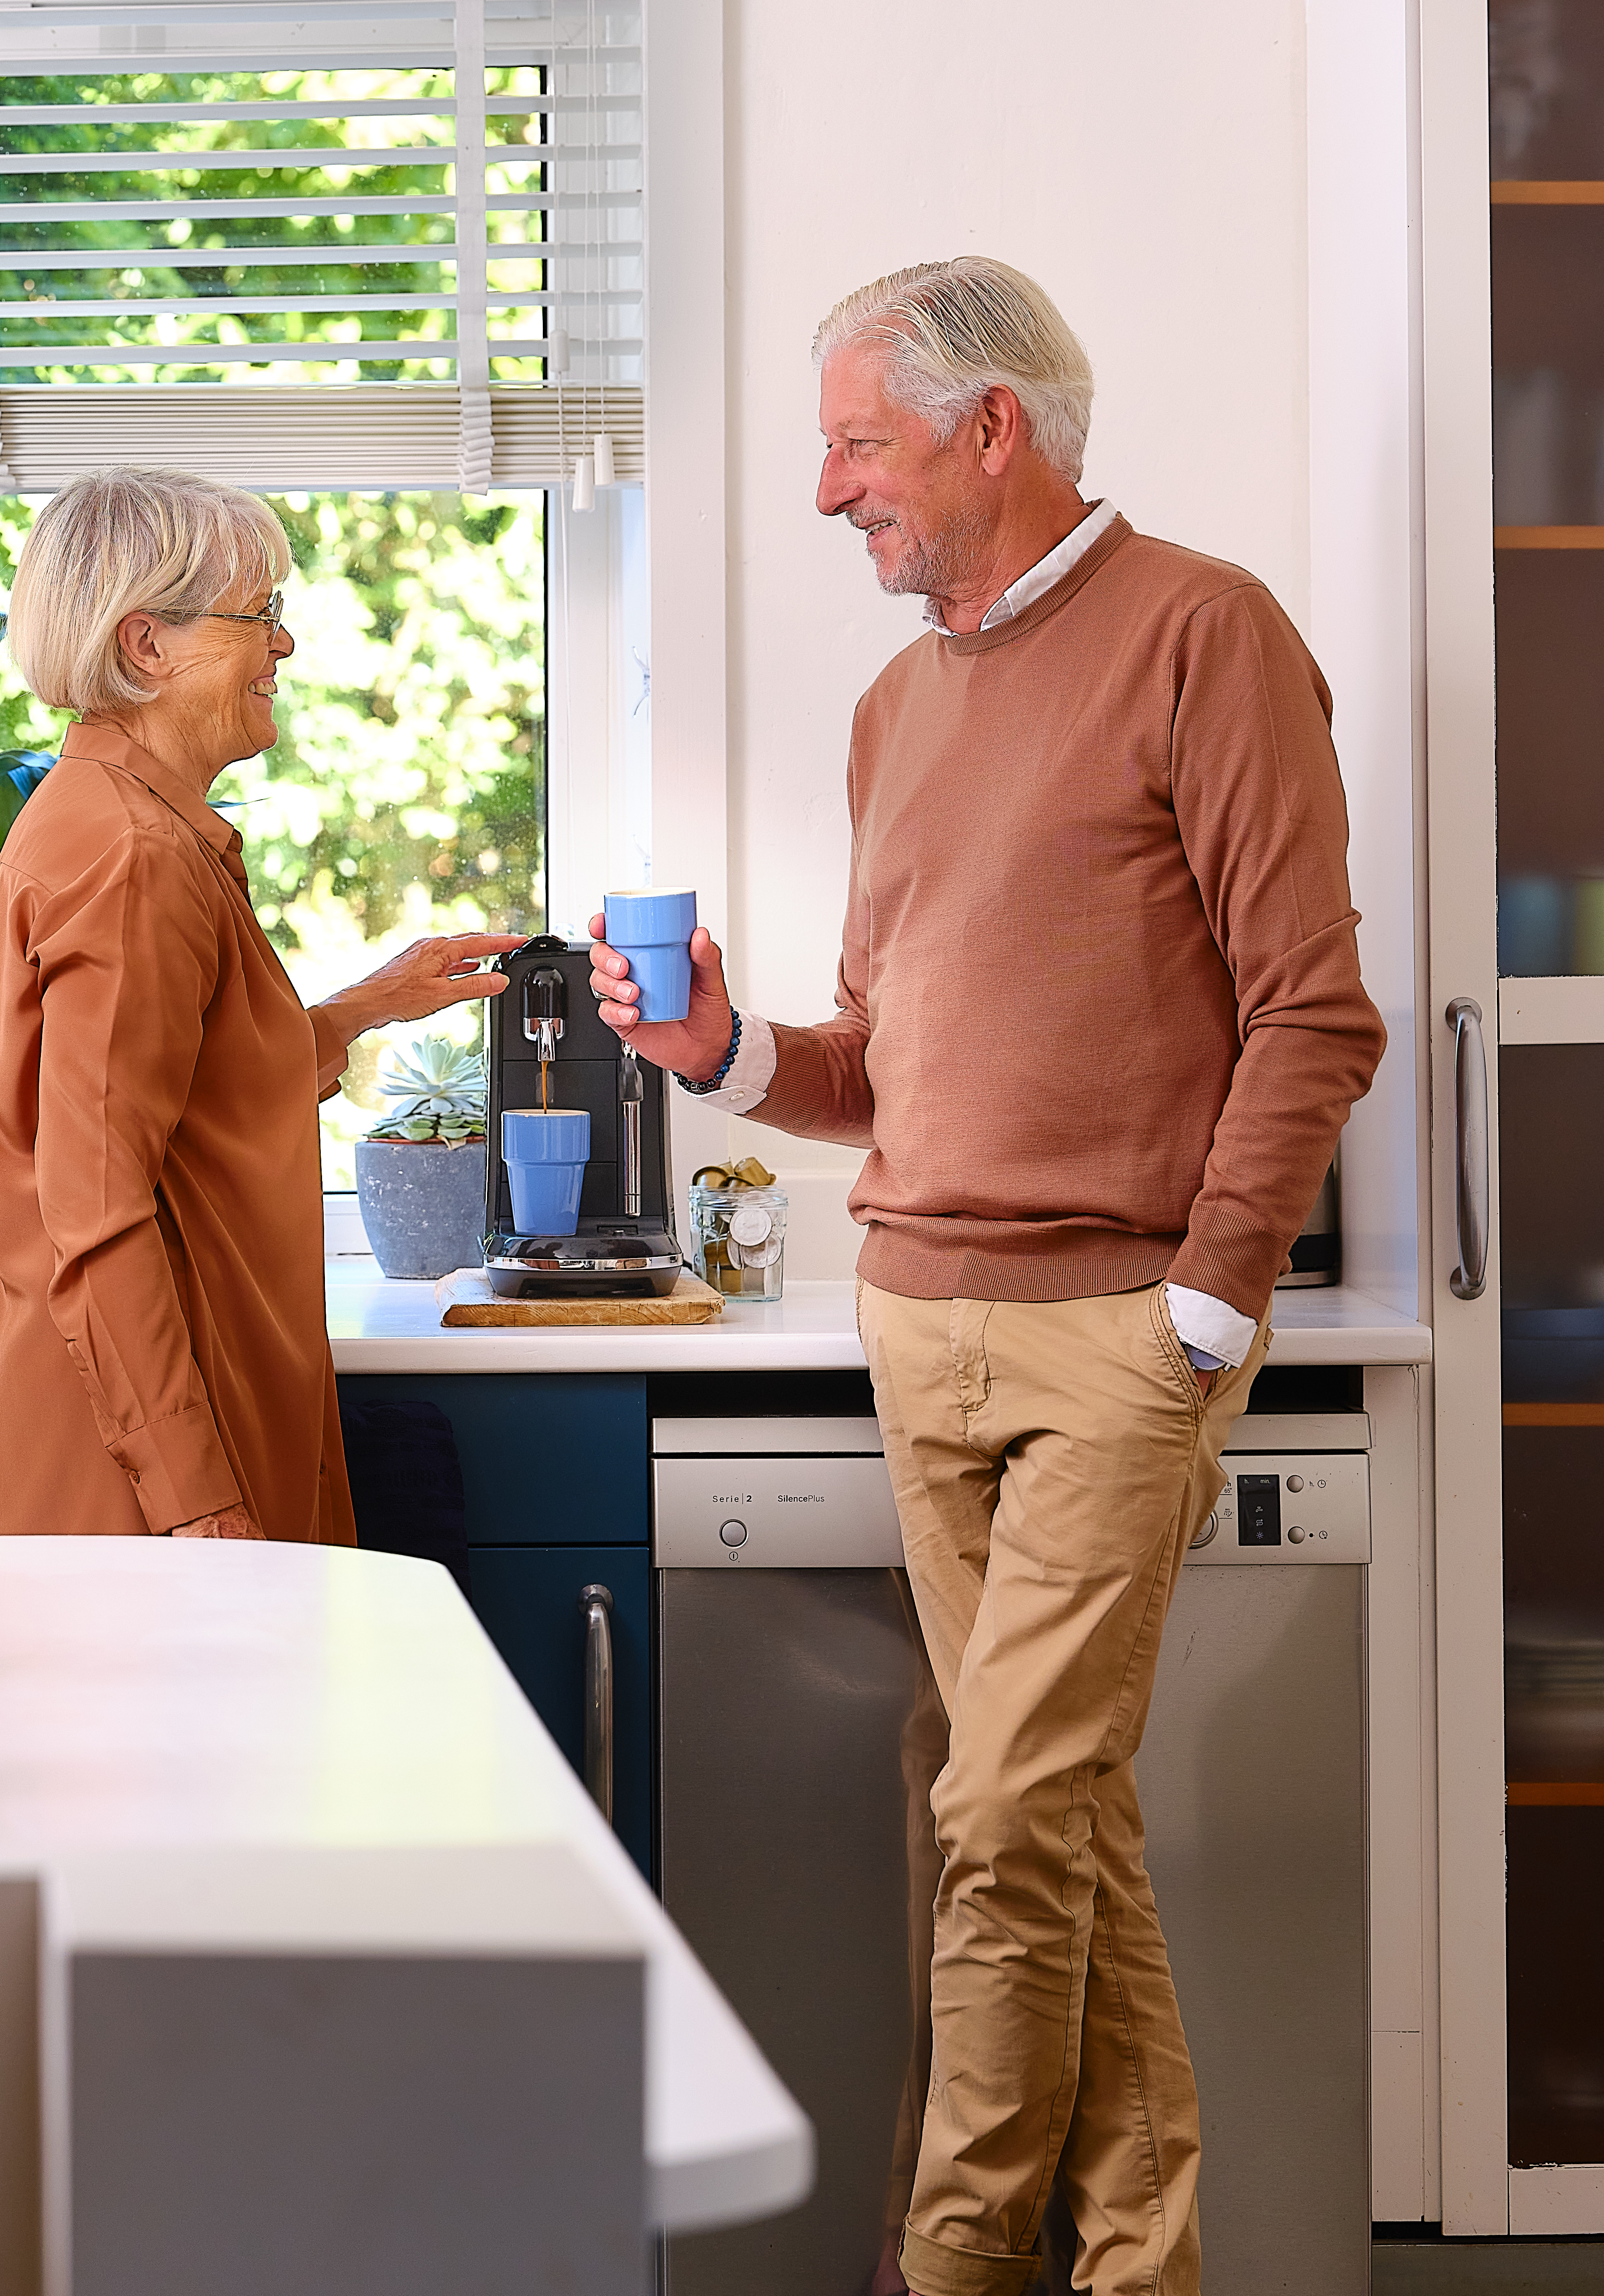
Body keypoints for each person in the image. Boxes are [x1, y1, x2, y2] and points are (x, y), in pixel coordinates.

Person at [592, 257, 1384, 2296]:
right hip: (917, 1320)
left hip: (1119, 1331)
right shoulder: (897, 710)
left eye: (860, 444)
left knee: (1008, 1823)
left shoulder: (1207, 634)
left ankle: (943, 2264)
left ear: (990, 427)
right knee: (1054, 1820)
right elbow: (881, 1061)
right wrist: (722, 1053)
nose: (830, 490)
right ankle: (1139, 2269)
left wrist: (1204, 1304)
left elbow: (1313, 1013)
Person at [0, 467, 518, 1541]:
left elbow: (190, 1098)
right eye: (258, 616)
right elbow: (97, 1211)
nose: (283, 645)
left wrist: (367, 1006)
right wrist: (199, 1508)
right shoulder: (134, 858)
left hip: (103, 1462)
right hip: (135, 1496)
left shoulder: (105, 818)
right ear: (145, 648)